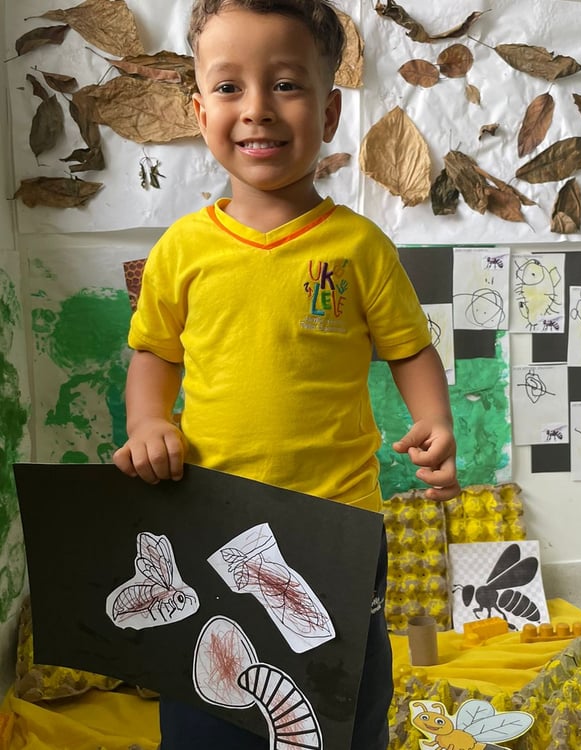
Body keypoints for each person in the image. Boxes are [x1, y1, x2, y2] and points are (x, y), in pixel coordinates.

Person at [113, 1, 460, 748]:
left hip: (336, 524)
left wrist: (432, 419)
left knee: (340, 703)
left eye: (287, 85)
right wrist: (148, 422)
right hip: (210, 514)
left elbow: (408, 350)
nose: (258, 111)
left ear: (330, 110)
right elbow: (155, 355)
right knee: (211, 695)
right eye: (231, 88)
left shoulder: (359, 248)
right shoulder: (182, 250)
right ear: (200, 110)